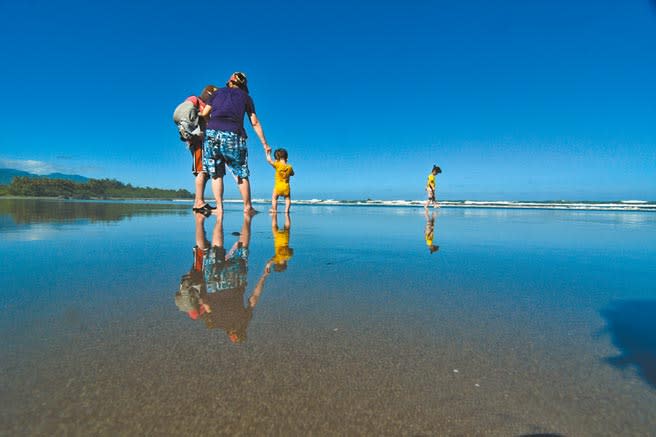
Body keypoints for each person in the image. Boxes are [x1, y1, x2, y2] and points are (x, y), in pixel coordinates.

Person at [200, 72, 271, 215]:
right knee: (240, 172)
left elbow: (205, 113)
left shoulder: (217, 93)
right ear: (243, 85)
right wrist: (265, 144)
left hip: (211, 133)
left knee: (216, 173)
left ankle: (219, 209)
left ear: (229, 82)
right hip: (233, 134)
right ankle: (247, 207)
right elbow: (254, 122)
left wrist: (211, 126)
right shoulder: (246, 98)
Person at [173, 85, 219, 215]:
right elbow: (180, 113)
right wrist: (193, 130)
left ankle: (199, 201)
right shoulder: (196, 100)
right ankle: (198, 202)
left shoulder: (208, 106)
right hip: (198, 142)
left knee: (205, 173)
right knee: (202, 171)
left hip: (203, 141)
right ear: (209, 93)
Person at [266, 148, 295, 213]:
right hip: (286, 186)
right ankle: (286, 210)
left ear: (277, 159)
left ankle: (274, 209)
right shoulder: (289, 167)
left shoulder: (277, 164)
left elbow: (269, 160)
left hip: (278, 186)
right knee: (287, 199)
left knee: (274, 198)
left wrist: (268, 153)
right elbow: (293, 174)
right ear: (286, 157)